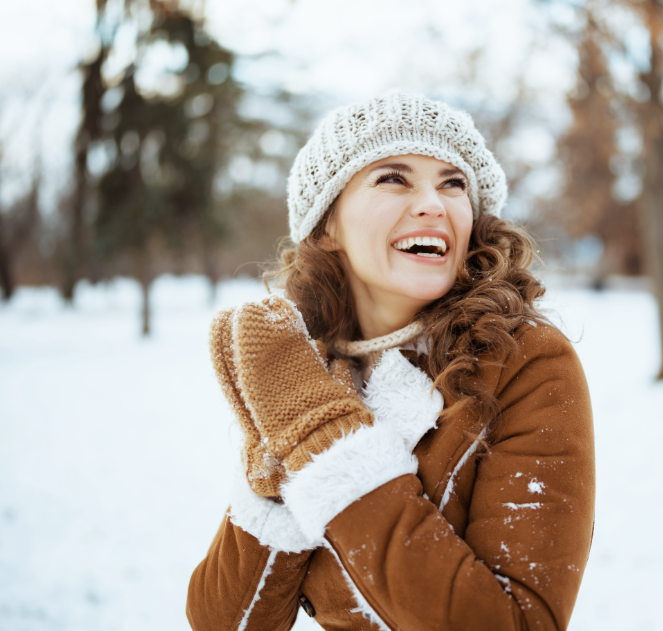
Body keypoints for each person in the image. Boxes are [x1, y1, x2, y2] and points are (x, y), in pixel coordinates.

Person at [186, 93, 595, 631]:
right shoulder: (309, 370)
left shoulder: (526, 362)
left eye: (453, 183)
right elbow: (226, 623)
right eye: (393, 178)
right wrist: (286, 437)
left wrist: (327, 442)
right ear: (327, 225)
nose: (433, 204)